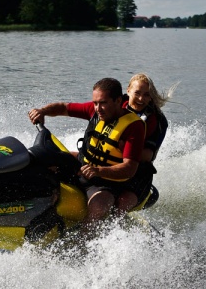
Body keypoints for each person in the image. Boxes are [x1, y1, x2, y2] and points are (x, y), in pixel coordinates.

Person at [28, 78, 145, 225]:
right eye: (95, 103)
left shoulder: (134, 126)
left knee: (99, 206)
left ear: (118, 100)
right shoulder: (95, 110)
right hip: (82, 165)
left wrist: (98, 171)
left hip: (108, 180)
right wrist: (42, 111)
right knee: (40, 161)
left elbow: (129, 169)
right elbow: (64, 108)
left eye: (103, 103)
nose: (97, 108)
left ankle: (83, 243)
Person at [116, 73, 170, 211]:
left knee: (123, 202)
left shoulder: (156, 120)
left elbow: (147, 155)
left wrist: (122, 148)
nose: (141, 99)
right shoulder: (113, 106)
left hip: (138, 173)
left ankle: (116, 230)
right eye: (137, 93)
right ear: (128, 90)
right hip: (107, 161)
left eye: (146, 95)